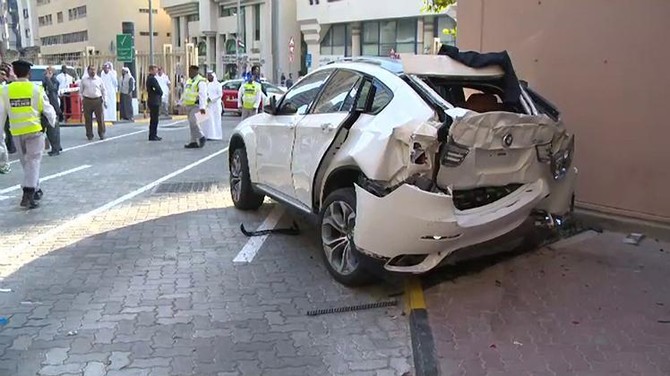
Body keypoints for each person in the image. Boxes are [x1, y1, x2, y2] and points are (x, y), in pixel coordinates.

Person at [0, 60, 57, 209]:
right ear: (29, 73)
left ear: (15, 72)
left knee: (26, 163)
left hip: (16, 132)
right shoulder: (36, 89)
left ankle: (36, 189)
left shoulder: (5, 90)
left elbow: (1, 114)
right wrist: (52, 122)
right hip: (34, 131)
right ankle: (28, 193)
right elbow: (47, 108)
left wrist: (1, 134)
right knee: (33, 161)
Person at [180, 65, 207, 149]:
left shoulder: (201, 81)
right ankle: (193, 141)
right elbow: (185, 93)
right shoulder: (189, 81)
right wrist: (180, 102)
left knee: (193, 122)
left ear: (196, 72)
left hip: (196, 105)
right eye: (189, 71)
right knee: (191, 124)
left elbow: (203, 95)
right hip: (188, 105)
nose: (189, 73)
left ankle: (201, 136)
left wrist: (203, 107)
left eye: (191, 71)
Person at [80, 65, 107, 141]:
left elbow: (103, 90)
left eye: (94, 70)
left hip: (97, 101)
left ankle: (101, 133)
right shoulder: (84, 80)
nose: (93, 71)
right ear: (88, 71)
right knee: (88, 119)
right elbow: (80, 91)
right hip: (87, 101)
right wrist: (82, 100)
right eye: (91, 70)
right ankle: (89, 134)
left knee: (100, 118)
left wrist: (105, 100)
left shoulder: (99, 80)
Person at [41, 66, 62, 156]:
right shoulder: (45, 81)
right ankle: (56, 146)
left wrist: (48, 79)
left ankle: (56, 148)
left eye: (47, 72)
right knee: (50, 129)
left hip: (53, 107)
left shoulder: (55, 81)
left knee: (53, 129)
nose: (45, 73)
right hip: (47, 106)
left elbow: (52, 90)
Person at [202, 70, 223, 141]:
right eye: (208, 75)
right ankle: (206, 135)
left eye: (210, 75)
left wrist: (211, 99)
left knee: (214, 120)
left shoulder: (218, 84)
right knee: (205, 120)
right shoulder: (206, 84)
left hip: (215, 105)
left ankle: (215, 135)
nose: (209, 77)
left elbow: (220, 94)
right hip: (207, 105)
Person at [145, 65, 163, 141]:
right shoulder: (152, 79)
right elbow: (157, 89)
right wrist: (160, 92)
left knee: (154, 119)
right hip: (154, 100)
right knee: (154, 119)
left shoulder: (150, 78)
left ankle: (153, 134)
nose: (156, 71)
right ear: (151, 70)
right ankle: (153, 135)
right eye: (155, 70)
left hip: (153, 100)